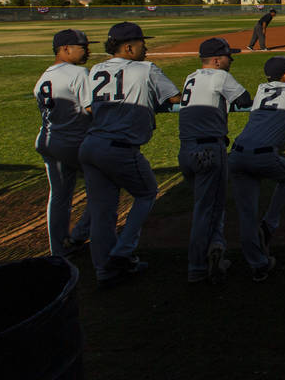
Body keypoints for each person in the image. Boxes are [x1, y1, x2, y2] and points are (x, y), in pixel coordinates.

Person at [80, 22, 181, 289]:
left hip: (90, 145)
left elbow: (89, 107)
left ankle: (104, 271)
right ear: (128, 47)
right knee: (147, 193)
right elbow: (175, 98)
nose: (146, 47)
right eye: (141, 43)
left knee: (102, 213)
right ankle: (123, 252)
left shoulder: (97, 69)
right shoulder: (146, 69)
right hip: (119, 148)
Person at [177, 37, 251, 284]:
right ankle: (197, 267)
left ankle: (215, 249)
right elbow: (244, 99)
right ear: (217, 60)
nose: (231, 60)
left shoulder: (190, 76)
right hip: (208, 148)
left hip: (186, 149)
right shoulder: (220, 76)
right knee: (207, 210)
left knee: (205, 206)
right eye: (229, 56)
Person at [229, 56, 285, 282]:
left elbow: (272, 121)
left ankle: (258, 265)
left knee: (246, 215)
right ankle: (270, 223)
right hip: (263, 155)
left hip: (237, 154)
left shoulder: (262, 89)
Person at [34, 29, 96, 256]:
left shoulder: (43, 77)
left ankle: (58, 250)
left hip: (47, 140)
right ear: (65, 49)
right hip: (72, 143)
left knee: (59, 197)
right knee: (105, 182)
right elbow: (90, 109)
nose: (87, 51)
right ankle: (80, 235)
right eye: (83, 46)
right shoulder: (78, 73)